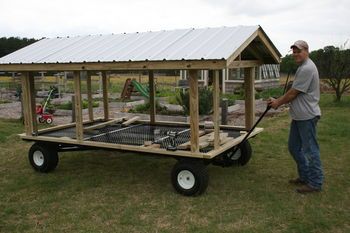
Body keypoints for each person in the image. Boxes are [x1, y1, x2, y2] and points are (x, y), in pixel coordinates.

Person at [268, 40, 324, 194]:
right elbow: (293, 91)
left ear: (307, 51)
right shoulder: (303, 67)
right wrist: (278, 100)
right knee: (294, 147)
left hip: (307, 116)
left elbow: (293, 93)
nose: (296, 54)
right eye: (294, 51)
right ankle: (305, 176)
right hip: (299, 117)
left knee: (310, 150)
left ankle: (315, 183)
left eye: (298, 51)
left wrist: (278, 103)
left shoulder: (307, 68)